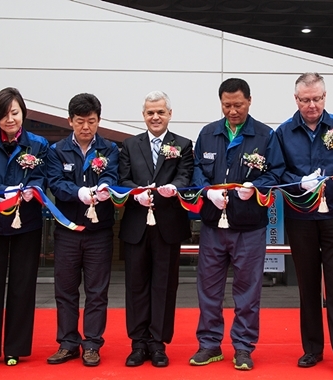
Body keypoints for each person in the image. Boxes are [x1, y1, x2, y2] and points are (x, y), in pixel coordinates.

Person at [189, 78, 285, 371]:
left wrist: (255, 187)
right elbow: (195, 172)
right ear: (221, 103)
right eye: (227, 105)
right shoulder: (208, 134)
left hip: (249, 227)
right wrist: (208, 191)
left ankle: (243, 346)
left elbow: (277, 173)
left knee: (248, 289)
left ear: (250, 101)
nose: (233, 111)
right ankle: (209, 344)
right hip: (213, 226)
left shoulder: (266, 136)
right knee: (208, 288)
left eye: (238, 105)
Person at [275, 72, 333, 378]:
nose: (311, 105)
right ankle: (312, 348)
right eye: (305, 100)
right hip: (300, 216)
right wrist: (297, 181)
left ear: (325, 97)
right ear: (296, 99)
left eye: (316, 99)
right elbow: (276, 173)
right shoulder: (284, 132)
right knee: (308, 285)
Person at [0, 87, 48, 367]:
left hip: (26, 222)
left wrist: (33, 189)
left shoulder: (38, 144)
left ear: (23, 112)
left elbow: (43, 176)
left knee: (22, 284)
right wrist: (2, 190)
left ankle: (15, 348)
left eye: (14, 113)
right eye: (4, 115)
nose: (10, 119)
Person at [118, 91, 193, 367]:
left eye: (160, 112)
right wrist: (135, 192)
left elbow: (186, 175)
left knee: (164, 286)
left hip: (168, 225)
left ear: (170, 114)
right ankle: (138, 343)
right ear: (143, 115)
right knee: (136, 286)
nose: (155, 117)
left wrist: (174, 188)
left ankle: (158, 343)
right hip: (136, 224)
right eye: (150, 112)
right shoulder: (128, 145)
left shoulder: (183, 145)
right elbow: (122, 178)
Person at [46, 93, 118, 367]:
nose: (86, 127)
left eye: (91, 121)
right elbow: (55, 182)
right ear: (70, 121)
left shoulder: (109, 149)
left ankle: (92, 344)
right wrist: (78, 192)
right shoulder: (57, 150)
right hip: (67, 230)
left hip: (99, 231)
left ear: (99, 120)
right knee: (65, 290)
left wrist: (102, 189)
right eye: (80, 121)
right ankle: (67, 343)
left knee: (97, 291)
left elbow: (112, 176)